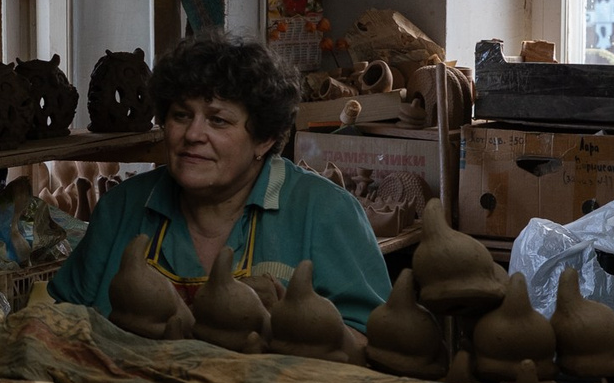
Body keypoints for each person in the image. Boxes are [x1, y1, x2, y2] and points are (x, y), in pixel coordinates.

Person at [49, 32, 390, 328]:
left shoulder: (325, 212)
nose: (193, 134)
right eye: (181, 116)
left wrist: (290, 323)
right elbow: (59, 322)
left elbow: (374, 347)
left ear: (264, 139)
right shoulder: (122, 209)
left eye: (218, 121)